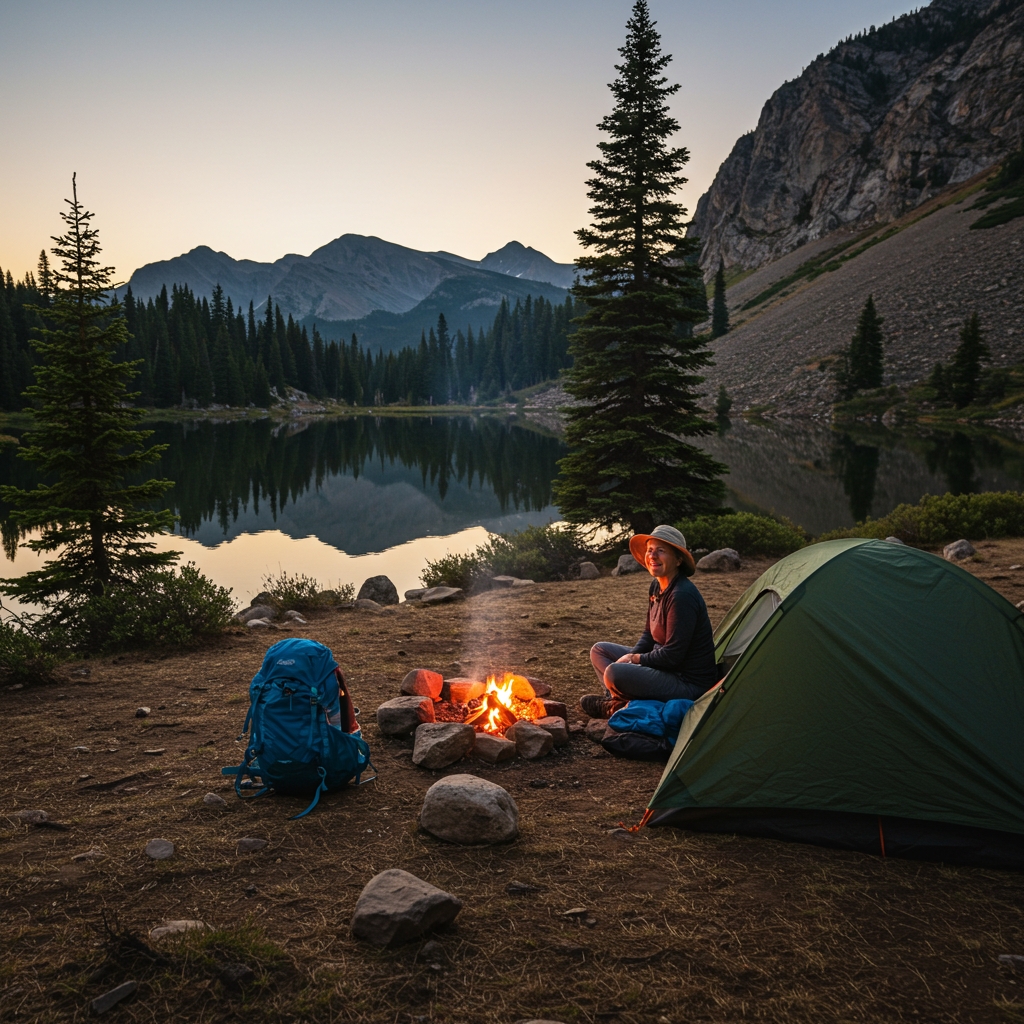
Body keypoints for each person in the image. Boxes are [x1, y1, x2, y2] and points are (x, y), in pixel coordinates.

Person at [582, 524, 718, 718]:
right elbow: (649, 635)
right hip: (664, 666)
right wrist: (632, 656)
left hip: (686, 682)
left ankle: (617, 707)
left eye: (661, 551)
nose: (652, 556)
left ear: (678, 560)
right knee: (599, 651)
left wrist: (634, 659)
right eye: (650, 550)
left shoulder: (682, 596)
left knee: (613, 673)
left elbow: (673, 656)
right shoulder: (657, 586)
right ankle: (618, 701)